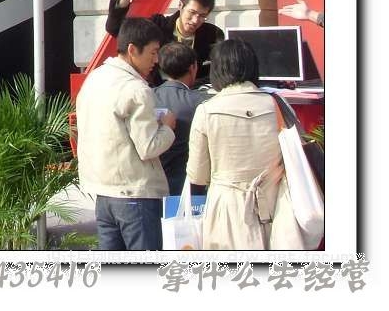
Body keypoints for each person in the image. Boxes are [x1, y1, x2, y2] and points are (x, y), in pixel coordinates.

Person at [186, 39, 305, 250]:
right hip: (278, 207)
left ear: (217, 70)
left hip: (227, 210)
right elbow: (299, 153)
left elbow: (198, 176)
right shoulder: (278, 104)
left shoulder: (206, 110)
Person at [76, 17, 177, 251]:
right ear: (132, 50)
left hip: (102, 193)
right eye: (153, 53)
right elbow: (149, 147)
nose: (156, 60)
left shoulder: (94, 78)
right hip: (135, 193)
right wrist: (167, 127)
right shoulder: (136, 89)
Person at [105, 0, 224, 84]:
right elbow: (115, 28)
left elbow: (218, 71)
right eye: (192, 12)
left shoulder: (212, 34)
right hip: (157, 92)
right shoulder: (158, 25)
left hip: (194, 94)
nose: (195, 20)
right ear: (180, 5)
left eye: (202, 16)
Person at [152, 42, 211, 194]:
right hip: (189, 187)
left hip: (153, 185)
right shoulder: (202, 102)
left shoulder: (147, 97)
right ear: (193, 67)